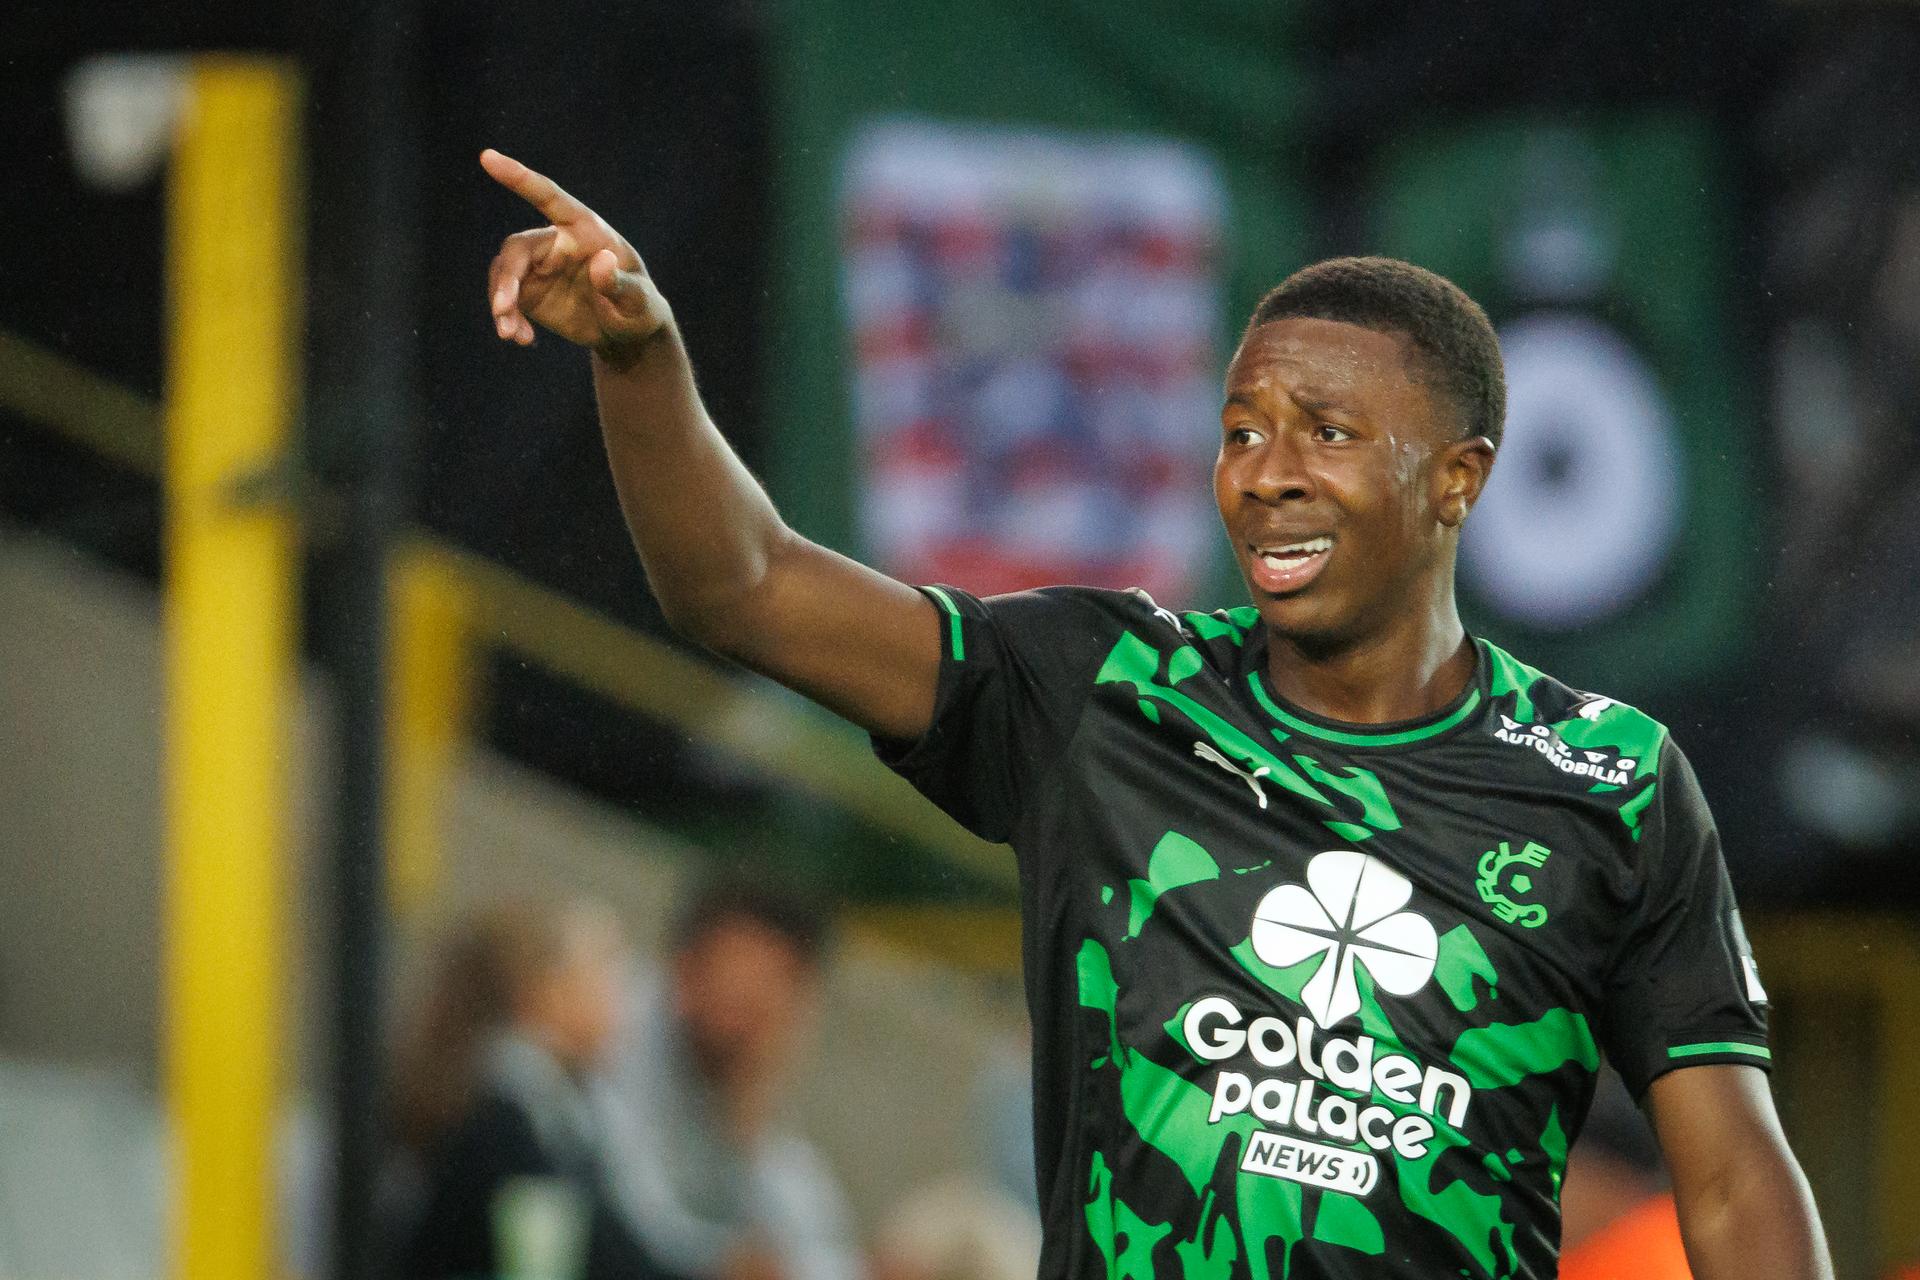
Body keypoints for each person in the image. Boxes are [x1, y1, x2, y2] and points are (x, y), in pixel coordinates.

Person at [477, 148, 1833, 1278]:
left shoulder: (1609, 779)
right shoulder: (1102, 687)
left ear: (1459, 479)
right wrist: (643, 360)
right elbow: (748, 588)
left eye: (1329, 433)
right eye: (1241, 430)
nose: (1266, 474)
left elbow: (1730, 1183)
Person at [595, 873, 860, 1280]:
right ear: (685, 968)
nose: (754, 1013)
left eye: (778, 990)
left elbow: (820, 1246)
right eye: (741, 985)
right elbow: (626, 1208)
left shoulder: (751, 1077)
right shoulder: (609, 1028)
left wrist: (748, 1122)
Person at [390, 898, 659, 1280]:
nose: (622, 995)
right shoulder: (509, 1120)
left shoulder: (557, 1108)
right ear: (546, 991)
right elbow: (597, 1256)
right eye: (606, 969)